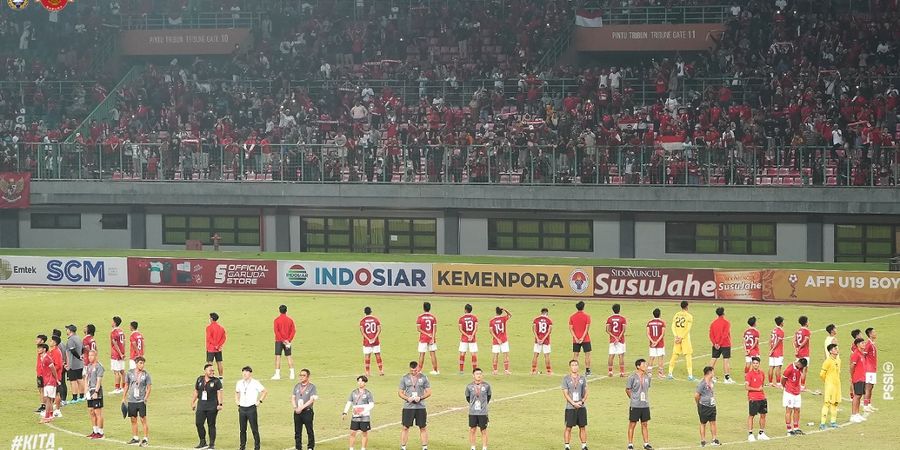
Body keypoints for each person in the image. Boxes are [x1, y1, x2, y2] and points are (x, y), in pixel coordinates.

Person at [399, 361, 432, 450]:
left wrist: (420, 398)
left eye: (415, 370)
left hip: (420, 407)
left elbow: (429, 392)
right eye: (412, 371)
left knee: (423, 427)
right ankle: (403, 447)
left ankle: (424, 447)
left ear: (419, 368)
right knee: (405, 427)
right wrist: (407, 398)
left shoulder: (424, 378)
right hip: (408, 407)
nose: (414, 372)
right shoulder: (404, 378)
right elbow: (400, 392)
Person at [192, 363, 223, 449]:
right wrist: (193, 402)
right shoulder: (199, 379)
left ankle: (211, 444)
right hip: (201, 405)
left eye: (213, 370)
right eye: (210, 370)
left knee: (211, 425)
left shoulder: (216, 381)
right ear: (205, 371)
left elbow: (219, 393)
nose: (212, 372)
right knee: (198, 423)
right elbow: (196, 391)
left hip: (212, 406)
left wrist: (220, 404)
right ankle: (203, 442)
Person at [122, 356, 151, 447]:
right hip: (131, 400)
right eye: (140, 363)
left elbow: (149, 387)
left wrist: (146, 398)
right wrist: (124, 397)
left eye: (143, 363)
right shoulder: (130, 373)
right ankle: (135, 438)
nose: (142, 365)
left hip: (141, 400)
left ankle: (145, 439)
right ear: (136, 363)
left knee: (143, 420)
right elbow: (126, 385)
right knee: (133, 419)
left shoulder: (146, 374)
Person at [238, 366, 267, 450]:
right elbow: (237, 392)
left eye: (246, 372)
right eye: (243, 372)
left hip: (251, 408)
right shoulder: (239, 383)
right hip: (242, 408)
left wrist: (259, 401)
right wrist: (237, 401)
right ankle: (242, 446)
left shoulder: (255, 383)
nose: (244, 374)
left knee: (254, 428)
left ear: (250, 373)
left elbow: (264, 391)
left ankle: (257, 447)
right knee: (242, 429)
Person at [625, 359, 652, 450]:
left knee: (645, 424)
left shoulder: (647, 377)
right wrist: (633, 398)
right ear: (638, 366)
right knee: (632, 424)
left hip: (645, 405)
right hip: (635, 405)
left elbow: (647, 388)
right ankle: (630, 444)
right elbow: (628, 389)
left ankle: (646, 443)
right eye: (643, 364)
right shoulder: (632, 377)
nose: (645, 366)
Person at [562, 359, 588, 450]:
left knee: (582, 427)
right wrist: (573, 403)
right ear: (570, 367)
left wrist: (582, 401)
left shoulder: (582, 378)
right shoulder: (566, 379)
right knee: (568, 427)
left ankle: (584, 446)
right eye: (573, 365)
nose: (574, 367)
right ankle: (567, 446)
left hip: (581, 407)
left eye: (576, 365)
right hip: (570, 407)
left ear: (578, 366)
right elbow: (565, 393)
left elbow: (586, 392)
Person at [342, 375, 374, 450]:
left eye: (362, 381)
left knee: (364, 433)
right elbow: (349, 403)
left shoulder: (368, 393)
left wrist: (362, 411)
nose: (360, 383)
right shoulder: (353, 392)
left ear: (365, 383)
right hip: (355, 416)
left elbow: (371, 404)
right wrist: (345, 412)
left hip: (365, 417)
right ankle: (351, 448)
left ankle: (363, 448)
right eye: (359, 381)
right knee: (352, 433)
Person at [465, 368, 492, 450]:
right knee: (472, 430)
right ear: (473, 375)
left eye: (480, 374)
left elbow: (489, 397)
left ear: (482, 375)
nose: (479, 375)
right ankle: (473, 447)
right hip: (472, 412)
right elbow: (468, 398)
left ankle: (484, 447)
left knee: (483, 430)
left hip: (483, 412)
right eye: (477, 374)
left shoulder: (487, 386)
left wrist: (483, 405)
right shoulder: (469, 386)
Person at [744, 356, 770, 441]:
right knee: (751, 416)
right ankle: (750, 434)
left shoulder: (762, 373)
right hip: (753, 398)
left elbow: (761, 384)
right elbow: (746, 387)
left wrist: (760, 390)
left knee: (763, 415)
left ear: (759, 364)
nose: (755, 365)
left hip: (762, 397)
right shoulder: (749, 374)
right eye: (754, 363)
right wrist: (757, 389)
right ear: (752, 364)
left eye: (757, 363)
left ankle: (761, 433)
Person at [694, 366, 720, 447]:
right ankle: (703, 440)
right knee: (703, 423)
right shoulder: (701, 384)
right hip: (704, 406)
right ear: (709, 372)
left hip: (712, 405)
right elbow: (696, 395)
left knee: (713, 422)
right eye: (713, 371)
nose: (714, 373)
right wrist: (698, 403)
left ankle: (714, 439)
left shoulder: (711, 381)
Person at [667, 301, 694, 380]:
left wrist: (676, 336)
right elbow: (688, 329)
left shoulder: (676, 315)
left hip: (677, 338)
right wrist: (681, 337)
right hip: (684, 338)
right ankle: (690, 375)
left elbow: (672, 326)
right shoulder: (689, 316)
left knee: (675, 355)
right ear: (687, 306)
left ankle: (670, 373)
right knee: (688, 355)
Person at [781, 358, 808, 436]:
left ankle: (796, 428)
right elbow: (783, 379)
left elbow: (801, 375)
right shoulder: (789, 369)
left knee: (797, 409)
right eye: (801, 366)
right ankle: (789, 430)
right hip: (789, 393)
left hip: (797, 392)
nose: (801, 368)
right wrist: (785, 387)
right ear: (799, 363)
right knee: (789, 410)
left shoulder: (800, 368)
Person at [292, 368, 316, 450]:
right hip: (297, 412)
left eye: (303, 375)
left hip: (307, 412)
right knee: (297, 431)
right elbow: (293, 397)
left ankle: (310, 447)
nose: (301, 377)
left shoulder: (312, 387)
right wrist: (295, 407)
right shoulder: (297, 386)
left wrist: (301, 408)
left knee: (309, 430)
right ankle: (298, 447)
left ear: (308, 377)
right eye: (300, 375)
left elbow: (311, 400)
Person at [708, 308, 734, 384]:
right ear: (723, 313)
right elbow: (725, 335)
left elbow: (711, 335)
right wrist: (719, 343)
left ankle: (710, 376)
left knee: (713, 359)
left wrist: (715, 343)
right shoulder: (727, 323)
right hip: (725, 344)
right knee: (726, 360)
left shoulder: (713, 323)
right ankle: (726, 378)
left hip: (716, 345)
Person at [819, 343, 841, 430]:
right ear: (831, 351)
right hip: (830, 386)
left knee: (835, 403)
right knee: (827, 403)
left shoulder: (838, 360)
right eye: (835, 349)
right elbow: (821, 374)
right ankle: (822, 423)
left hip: (837, 385)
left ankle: (833, 422)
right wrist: (827, 381)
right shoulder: (827, 361)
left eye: (837, 348)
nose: (837, 350)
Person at [85, 349, 106, 439]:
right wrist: (86, 391)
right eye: (89, 356)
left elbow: (99, 380)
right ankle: (95, 431)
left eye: (91, 356)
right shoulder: (88, 366)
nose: (90, 357)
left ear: (96, 356)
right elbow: (86, 379)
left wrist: (96, 392)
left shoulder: (99, 366)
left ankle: (101, 433)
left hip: (96, 391)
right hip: (89, 391)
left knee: (98, 412)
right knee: (91, 411)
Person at [569, 301, 593, 376]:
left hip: (575, 339)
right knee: (587, 355)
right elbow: (587, 328)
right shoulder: (587, 316)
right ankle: (588, 371)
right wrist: (582, 338)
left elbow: (570, 328)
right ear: (583, 307)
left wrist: (575, 338)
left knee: (575, 355)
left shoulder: (572, 317)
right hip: (585, 339)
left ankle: (573, 370)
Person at [273, 304, 296, 380]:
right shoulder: (290, 320)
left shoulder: (276, 320)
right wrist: (288, 340)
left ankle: (277, 374)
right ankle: (292, 374)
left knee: (278, 357)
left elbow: (276, 332)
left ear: (279, 311)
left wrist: (282, 340)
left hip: (279, 341)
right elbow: (293, 331)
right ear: (286, 311)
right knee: (289, 357)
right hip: (287, 341)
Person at [64, 324, 86, 402]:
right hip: (80, 364)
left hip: (72, 364)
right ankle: (82, 396)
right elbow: (83, 348)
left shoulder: (71, 340)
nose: (66, 331)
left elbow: (72, 350)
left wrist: (78, 357)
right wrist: (81, 356)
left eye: (67, 329)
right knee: (80, 379)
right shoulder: (78, 338)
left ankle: (75, 398)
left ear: (70, 331)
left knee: (73, 381)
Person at [360, 306, 384, 377]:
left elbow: (362, 332)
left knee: (367, 356)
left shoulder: (362, 321)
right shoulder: (376, 320)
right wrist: (374, 338)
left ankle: (367, 372)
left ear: (364, 312)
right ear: (371, 311)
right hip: (375, 341)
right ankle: (381, 371)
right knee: (377, 355)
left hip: (367, 342)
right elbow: (379, 329)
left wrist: (368, 339)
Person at [37, 343, 58, 424]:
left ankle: (46, 417)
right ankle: (51, 415)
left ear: (44, 349)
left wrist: (56, 379)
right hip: (47, 381)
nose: (38, 349)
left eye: (40, 348)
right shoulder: (43, 358)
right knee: (48, 399)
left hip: (50, 381)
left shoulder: (47, 358)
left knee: (48, 399)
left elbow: (53, 369)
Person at [416, 302, 439, 375]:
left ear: (423, 308)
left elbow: (418, 329)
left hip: (423, 338)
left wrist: (426, 333)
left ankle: (419, 370)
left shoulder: (420, 317)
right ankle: (435, 370)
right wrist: (432, 337)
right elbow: (435, 329)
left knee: (422, 354)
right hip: (431, 338)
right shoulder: (433, 317)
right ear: (430, 308)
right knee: (432, 353)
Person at [849, 338, 867, 423]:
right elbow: (852, 366)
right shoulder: (856, 354)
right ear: (858, 345)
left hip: (862, 377)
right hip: (857, 378)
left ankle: (857, 413)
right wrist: (852, 376)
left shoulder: (861, 354)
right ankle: (853, 415)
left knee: (859, 396)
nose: (864, 344)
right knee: (856, 396)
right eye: (862, 343)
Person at [606, 304, 627, 378]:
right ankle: (622, 372)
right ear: (619, 309)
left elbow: (607, 330)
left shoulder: (609, 319)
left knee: (611, 355)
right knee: (621, 355)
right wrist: (618, 338)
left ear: (613, 310)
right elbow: (623, 330)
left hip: (612, 340)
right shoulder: (622, 319)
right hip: (620, 340)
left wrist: (614, 337)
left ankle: (610, 372)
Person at [489, 307, 512, 375]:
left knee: (495, 355)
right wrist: (505, 309)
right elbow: (510, 315)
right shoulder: (503, 319)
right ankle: (506, 370)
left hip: (496, 341)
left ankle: (495, 370)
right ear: (501, 312)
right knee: (505, 355)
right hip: (504, 339)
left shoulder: (492, 321)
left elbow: (491, 331)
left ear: (495, 312)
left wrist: (497, 339)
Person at [531, 308, 553, 375]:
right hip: (546, 340)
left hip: (537, 340)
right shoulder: (549, 320)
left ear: (541, 312)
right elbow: (549, 331)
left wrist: (538, 338)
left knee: (535, 355)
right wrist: (543, 339)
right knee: (546, 355)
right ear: (546, 313)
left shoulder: (536, 319)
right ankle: (548, 371)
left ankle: (533, 370)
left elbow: (534, 330)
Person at [458, 304, 479, 374]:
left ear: (465, 310)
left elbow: (460, 329)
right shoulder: (475, 318)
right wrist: (471, 336)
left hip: (464, 339)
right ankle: (475, 371)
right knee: (473, 354)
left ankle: (461, 370)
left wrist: (467, 336)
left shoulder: (461, 319)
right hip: (472, 339)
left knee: (462, 354)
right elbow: (476, 328)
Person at [646, 309, 666, 379]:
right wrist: (657, 341)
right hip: (660, 343)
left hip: (652, 343)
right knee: (660, 358)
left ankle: (649, 373)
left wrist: (653, 341)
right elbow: (662, 334)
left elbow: (648, 334)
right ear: (660, 314)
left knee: (651, 357)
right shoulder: (662, 323)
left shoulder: (649, 323)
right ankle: (660, 374)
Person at [206, 313, 227, 378]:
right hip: (218, 349)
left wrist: (215, 345)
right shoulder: (221, 328)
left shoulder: (209, 327)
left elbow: (209, 338)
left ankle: (210, 376)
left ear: (211, 319)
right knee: (219, 362)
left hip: (211, 348)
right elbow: (224, 338)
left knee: (210, 363)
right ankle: (221, 377)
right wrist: (218, 345)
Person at [793, 316, 811, 390]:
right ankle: (802, 386)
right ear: (806, 322)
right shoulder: (807, 331)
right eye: (808, 321)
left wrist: (796, 349)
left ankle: (796, 383)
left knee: (797, 368)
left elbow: (794, 341)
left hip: (798, 353)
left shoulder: (797, 331)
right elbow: (805, 341)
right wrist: (800, 348)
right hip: (804, 352)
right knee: (804, 370)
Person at [49, 334, 65, 417]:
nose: (50, 342)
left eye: (51, 341)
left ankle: (58, 410)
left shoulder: (56, 352)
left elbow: (58, 365)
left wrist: (50, 370)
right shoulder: (52, 351)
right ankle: (53, 409)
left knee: (57, 393)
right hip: (52, 376)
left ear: (55, 343)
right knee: (54, 393)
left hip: (56, 376)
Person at [863, 327, 878, 413]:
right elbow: (863, 355)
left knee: (871, 387)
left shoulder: (872, 343)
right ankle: (865, 406)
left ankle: (868, 404)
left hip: (873, 369)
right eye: (874, 332)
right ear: (870, 334)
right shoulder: (868, 344)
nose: (875, 333)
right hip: (869, 369)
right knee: (868, 387)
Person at [110, 317, 127, 394]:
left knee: (116, 372)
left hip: (116, 354)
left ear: (115, 323)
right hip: (121, 353)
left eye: (112, 321)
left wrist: (119, 353)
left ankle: (117, 388)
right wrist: (123, 352)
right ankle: (123, 387)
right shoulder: (121, 331)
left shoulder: (113, 332)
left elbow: (115, 343)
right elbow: (124, 341)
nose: (111, 322)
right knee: (122, 371)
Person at [768, 317, 785, 387]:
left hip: (772, 351)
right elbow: (778, 342)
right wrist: (773, 349)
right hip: (778, 351)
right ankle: (778, 383)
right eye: (783, 321)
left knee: (771, 367)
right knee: (778, 367)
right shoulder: (781, 331)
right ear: (781, 323)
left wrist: (771, 349)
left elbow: (770, 340)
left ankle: (770, 382)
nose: (784, 323)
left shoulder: (773, 330)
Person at [35, 334, 48, 414]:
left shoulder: (44, 352)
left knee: (43, 390)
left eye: (38, 339)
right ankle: (43, 404)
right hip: (39, 373)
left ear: (42, 341)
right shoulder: (40, 351)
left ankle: (44, 405)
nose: (36, 340)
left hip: (43, 374)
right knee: (40, 389)